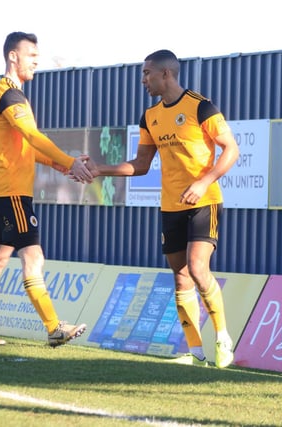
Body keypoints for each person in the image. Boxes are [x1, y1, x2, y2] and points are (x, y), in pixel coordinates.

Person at [82, 49, 239, 368]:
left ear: (166, 74)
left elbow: (231, 149)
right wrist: (101, 169)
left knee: (197, 269)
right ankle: (195, 352)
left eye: (146, 73)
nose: (143, 80)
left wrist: (203, 181)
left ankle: (223, 337)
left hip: (204, 201)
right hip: (171, 206)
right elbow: (140, 165)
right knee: (180, 278)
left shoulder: (201, 106)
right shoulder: (149, 116)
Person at [0, 31, 93, 347]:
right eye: (31, 55)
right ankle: (54, 327)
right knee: (34, 257)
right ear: (12, 56)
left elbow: (28, 148)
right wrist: (69, 163)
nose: (36, 61)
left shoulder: (11, 94)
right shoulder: (9, 95)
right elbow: (33, 137)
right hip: (13, 194)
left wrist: (65, 165)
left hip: (6, 190)